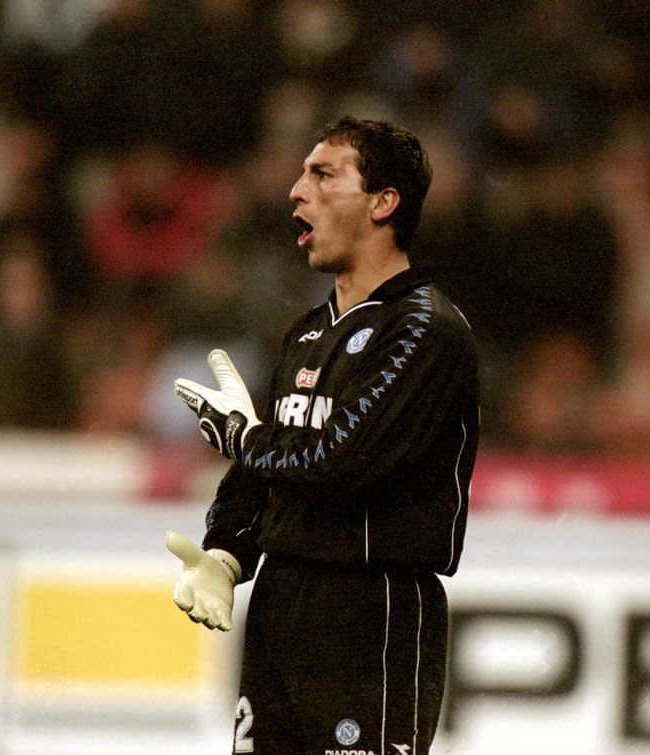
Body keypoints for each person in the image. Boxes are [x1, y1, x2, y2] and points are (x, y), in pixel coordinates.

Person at [166, 116, 480, 754]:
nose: (295, 191)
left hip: (372, 610)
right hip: (282, 603)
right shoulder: (307, 331)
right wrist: (227, 553)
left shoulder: (426, 330)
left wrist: (241, 438)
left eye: (322, 174)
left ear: (383, 202)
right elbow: (271, 464)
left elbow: (341, 459)